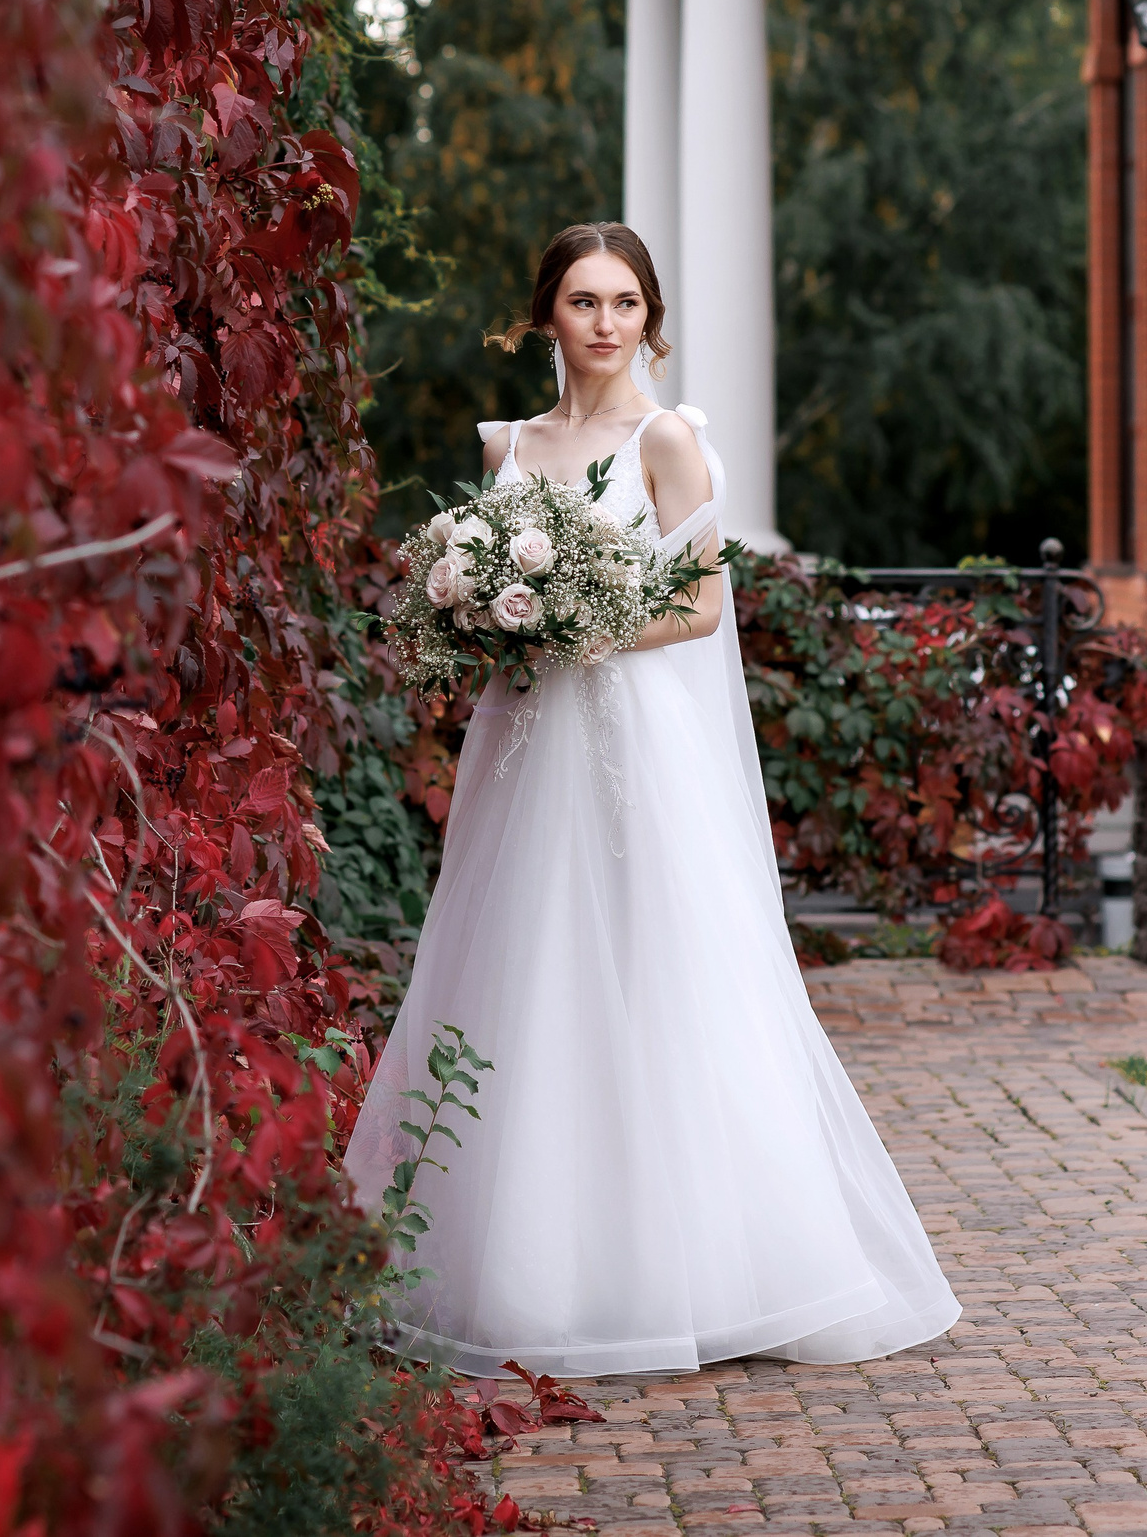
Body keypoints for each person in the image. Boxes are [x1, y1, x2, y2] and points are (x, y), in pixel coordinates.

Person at [342, 223, 961, 1377]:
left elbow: (702, 610)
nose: (606, 323)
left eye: (625, 302)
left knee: (665, 972)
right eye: (583, 301)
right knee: (529, 970)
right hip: (533, 746)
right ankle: (538, 1274)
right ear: (546, 317)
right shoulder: (510, 450)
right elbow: (479, 600)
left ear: (650, 316)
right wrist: (483, 616)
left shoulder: (668, 441)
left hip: (638, 747)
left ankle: (720, 1266)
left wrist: (578, 622)